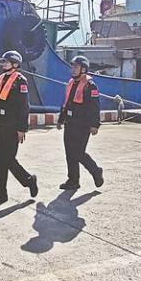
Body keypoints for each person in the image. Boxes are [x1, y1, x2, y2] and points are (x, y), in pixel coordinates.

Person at [0, 50, 38, 203]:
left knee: (8, 159)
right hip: (0, 124)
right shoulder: (1, 78)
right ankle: (0, 193)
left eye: (6, 61)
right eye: (3, 61)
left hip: (12, 126)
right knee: (0, 160)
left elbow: (24, 107)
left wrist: (22, 129)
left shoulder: (20, 81)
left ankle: (29, 180)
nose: (3, 63)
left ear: (15, 64)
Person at [56, 55, 104, 190]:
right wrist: (61, 119)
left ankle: (96, 171)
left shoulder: (90, 85)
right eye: (72, 66)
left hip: (82, 125)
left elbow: (95, 107)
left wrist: (95, 125)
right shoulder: (71, 83)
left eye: (76, 67)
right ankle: (73, 180)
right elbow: (66, 103)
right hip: (70, 123)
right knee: (69, 153)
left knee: (78, 153)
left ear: (83, 69)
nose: (73, 69)